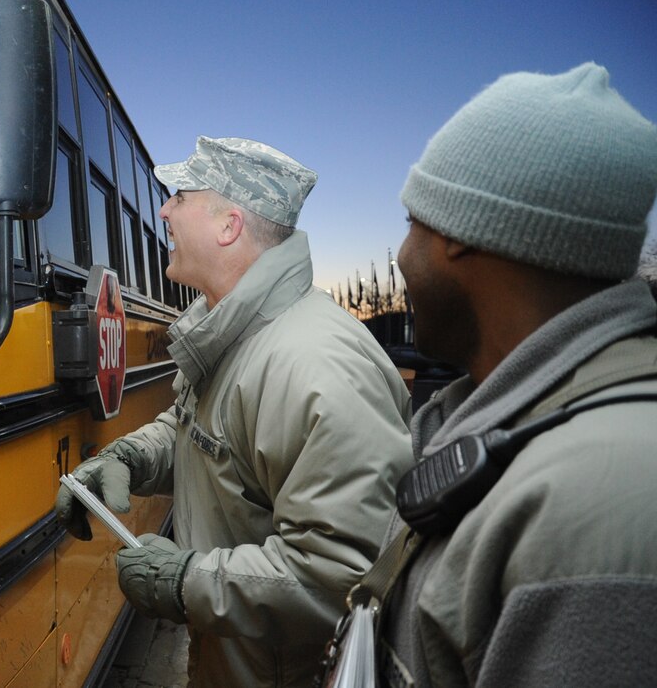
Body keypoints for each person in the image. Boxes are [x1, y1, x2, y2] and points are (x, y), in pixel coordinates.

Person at [55, 136, 414, 687]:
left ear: (229, 226)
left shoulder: (316, 366)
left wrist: (186, 582)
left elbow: (344, 576)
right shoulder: (234, 335)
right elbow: (203, 435)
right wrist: (132, 458)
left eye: (180, 196)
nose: (164, 210)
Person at [374, 63, 657, 687]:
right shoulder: (530, 432)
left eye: (412, 223)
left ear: (462, 235)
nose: (400, 258)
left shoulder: (595, 508)